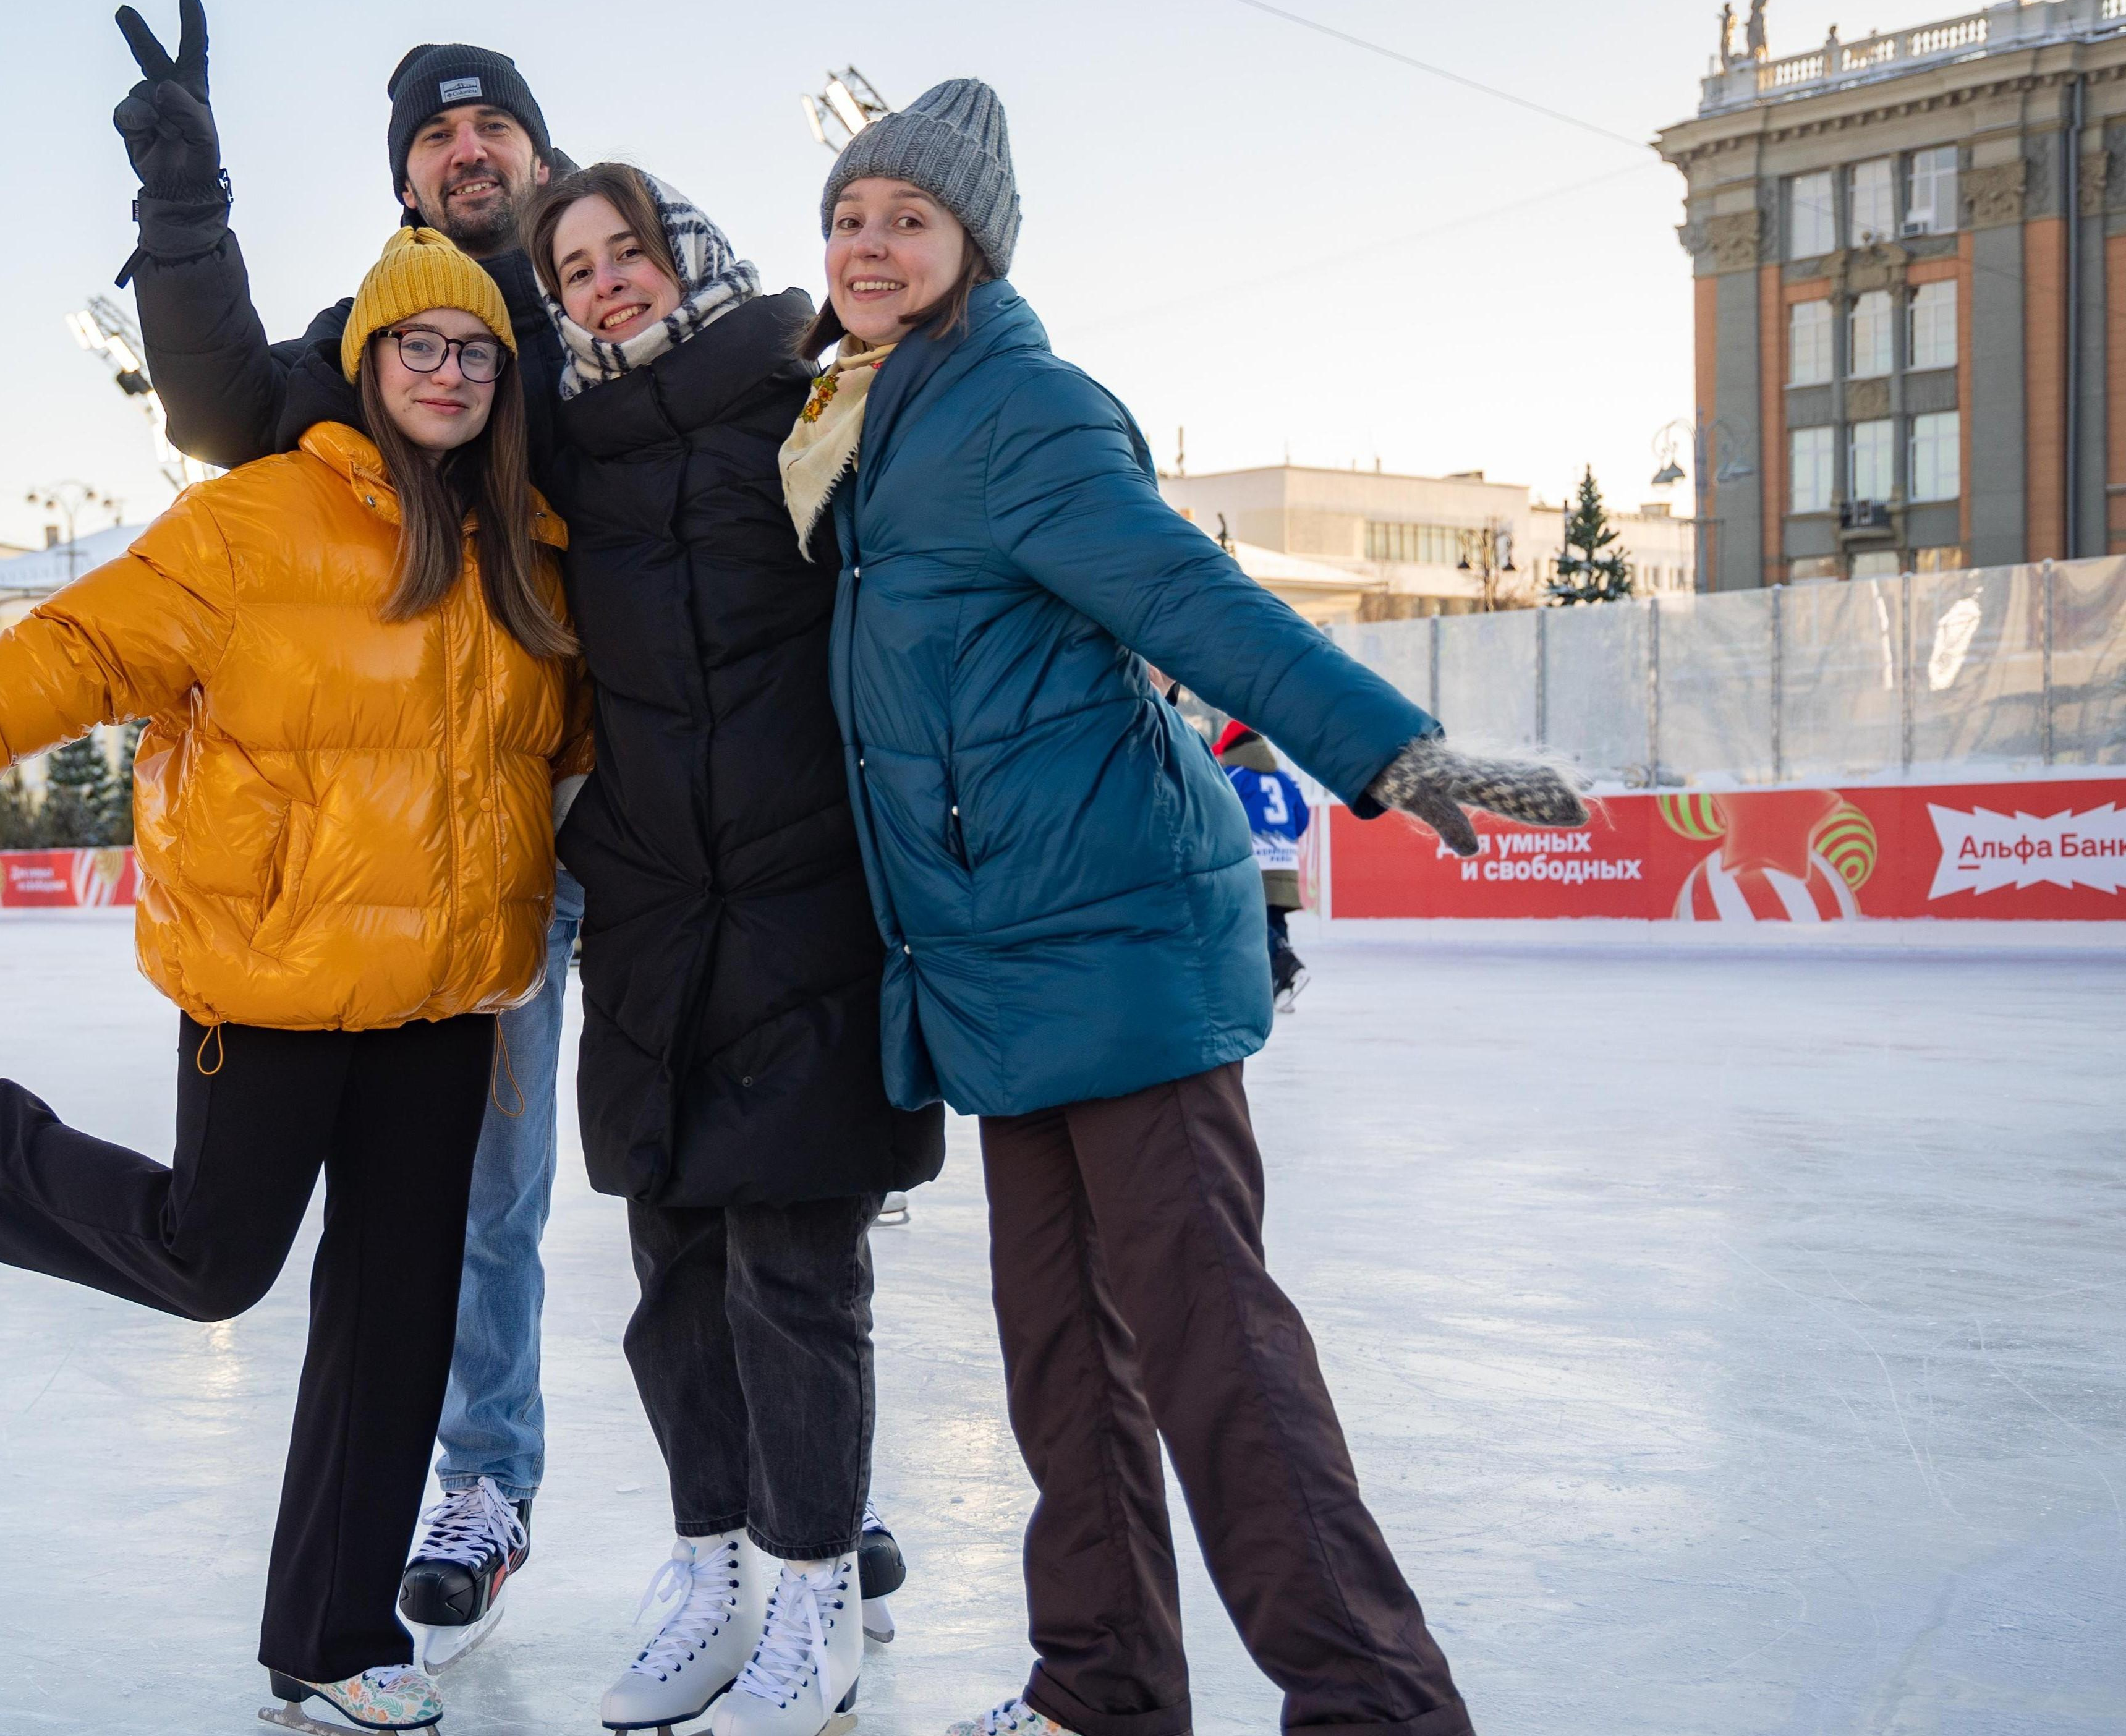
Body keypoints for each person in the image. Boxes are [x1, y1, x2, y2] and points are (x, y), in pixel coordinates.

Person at [797, 82, 1588, 1736]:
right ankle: (1102, 1688)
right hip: (1005, 960)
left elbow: (1188, 595)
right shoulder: (870, 413)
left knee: (1219, 1357)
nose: (873, 246)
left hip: (1114, 938)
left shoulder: (1020, 408)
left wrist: (1393, 748)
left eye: (909, 221)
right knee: (1063, 1367)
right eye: (853, 218)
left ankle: (1374, 1702)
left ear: (973, 246)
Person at [0, 229, 588, 1733]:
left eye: (475, 353)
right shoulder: (256, 521)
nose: (447, 375)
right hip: (271, 971)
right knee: (214, 1261)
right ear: (369, 365)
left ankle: (327, 1640)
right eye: (418, 348)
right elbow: (83, 646)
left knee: (391, 1329)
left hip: (450, 1000)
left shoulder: (532, 550)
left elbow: (569, 754)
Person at [110, 0, 577, 1654]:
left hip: (654, 809)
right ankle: (487, 1478)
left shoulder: (621, 276)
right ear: (409, 181)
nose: (469, 153)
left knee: (728, 1165)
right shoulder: (376, 331)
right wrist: (186, 215)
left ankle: (806, 1494)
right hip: (471, 839)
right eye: (438, 139)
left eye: (491, 130)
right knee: (481, 1192)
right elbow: (224, 404)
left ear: (537, 150)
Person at [526, 162, 937, 1736]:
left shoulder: (802, 382)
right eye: (578, 267)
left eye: (631, 251)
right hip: (648, 898)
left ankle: (818, 1587)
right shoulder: (562, 442)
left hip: (799, 884)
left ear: (684, 255)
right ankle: (709, 1569)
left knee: (796, 1261)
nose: (610, 282)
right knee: (671, 1262)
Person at [1215, 721, 1310, 1011]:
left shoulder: (1234, 775)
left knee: (1253, 920)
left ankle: (1288, 967)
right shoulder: (1284, 778)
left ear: (1234, 749)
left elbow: (1219, 810)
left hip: (1252, 859)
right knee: (1276, 919)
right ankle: (1282, 989)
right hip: (1285, 858)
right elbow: (1302, 816)